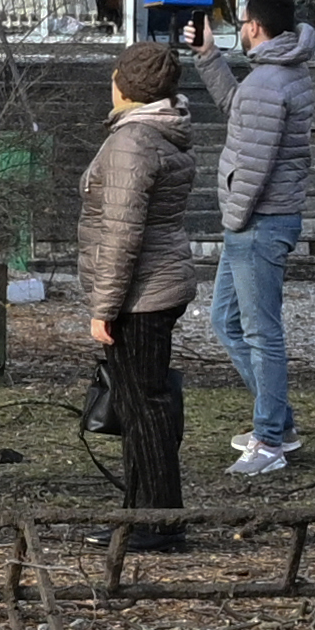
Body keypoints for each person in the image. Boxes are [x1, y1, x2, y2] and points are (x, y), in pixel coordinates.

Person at [76, 44, 217, 557]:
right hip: (157, 285)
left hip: (140, 295)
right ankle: (141, 514)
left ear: (124, 85)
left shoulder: (133, 142)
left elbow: (120, 235)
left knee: (145, 407)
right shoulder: (163, 130)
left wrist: (103, 308)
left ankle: (158, 522)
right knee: (143, 403)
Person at [212, 0, 315, 483]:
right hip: (264, 219)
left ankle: (269, 439)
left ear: (255, 26)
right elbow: (241, 109)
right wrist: (208, 58)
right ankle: (279, 422)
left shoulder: (266, 83)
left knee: (259, 333)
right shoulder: (282, 75)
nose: (239, 28)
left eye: (241, 21)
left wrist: (234, 218)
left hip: (256, 223)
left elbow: (253, 164)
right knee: (227, 321)